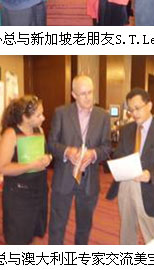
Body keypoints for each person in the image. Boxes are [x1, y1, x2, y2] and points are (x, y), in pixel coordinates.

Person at [106, 88, 154, 244]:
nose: (134, 113)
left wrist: (150, 174)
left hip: (149, 187)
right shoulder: (126, 130)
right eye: (130, 110)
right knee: (127, 230)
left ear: (149, 105)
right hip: (126, 185)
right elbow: (118, 154)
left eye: (137, 108)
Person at [47, 75, 111, 245]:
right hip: (64, 178)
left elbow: (107, 147)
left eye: (90, 92)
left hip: (89, 181)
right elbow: (51, 144)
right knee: (57, 225)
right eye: (83, 94)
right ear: (74, 94)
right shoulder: (61, 113)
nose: (88, 97)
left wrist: (94, 154)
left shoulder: (103, 116)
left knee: (84, 226)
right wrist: (67, 151)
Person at [0, 95, 52, 245]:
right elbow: (2, 167)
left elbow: (44, 154)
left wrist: (48, 158)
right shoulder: (11, 134)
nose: (43, 118)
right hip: (18, 194)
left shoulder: (39, 130)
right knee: (18, 234)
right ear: (25, 117)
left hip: (39, 189)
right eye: (38, 115)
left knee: (35, 230)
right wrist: (31, 166)